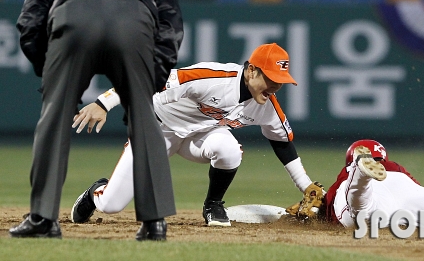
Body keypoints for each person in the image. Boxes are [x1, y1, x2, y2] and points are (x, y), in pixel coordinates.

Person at [9, 0, 184, 241]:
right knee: (144, 120)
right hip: (134, 22)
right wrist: (150, 82)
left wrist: (47, 71)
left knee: (54, 118)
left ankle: (43, 219)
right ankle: (154, 222)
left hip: (74, 16)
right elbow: (170, 28)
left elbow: (30, 21)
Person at [70, 43, 320, 227]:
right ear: (252, 71)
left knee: (229, 149)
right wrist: (104, 103)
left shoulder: (267, 105)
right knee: (111, 205)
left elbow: (282, 143)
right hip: (158, 129)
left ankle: (213, 205)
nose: (276, 86)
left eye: (281, 81)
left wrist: (305, 185)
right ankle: (96, 191)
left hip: (202, 137)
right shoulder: (212, 78)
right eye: (272, 78)